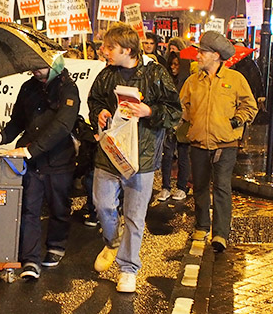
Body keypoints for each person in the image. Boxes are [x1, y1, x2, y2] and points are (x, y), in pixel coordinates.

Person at [88, 23, 181, 293]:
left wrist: (149, 110)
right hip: (110, 153)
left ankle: (128, 269)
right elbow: (94, 101)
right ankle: (112, 239)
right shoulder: (106, 75)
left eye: (109, 47)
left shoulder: (155, 74)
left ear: (127, 50)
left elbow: (175, 111)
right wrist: (100, 113)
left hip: (142, 157)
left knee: (134, 216)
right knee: (102, 204)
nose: (103, 51)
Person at [0, 54, 79, 280]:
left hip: (58, 161)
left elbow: (62, 126)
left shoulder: (68, 89)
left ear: (53, 62)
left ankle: (56, 245)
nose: (35, 70)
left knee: (59, 208)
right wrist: (2, 137)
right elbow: (18, 120)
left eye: (40, 65)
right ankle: (30, 260)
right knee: (29, 208)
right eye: (32, 66)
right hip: (32, 162)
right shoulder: (28, 87)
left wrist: (31, 150)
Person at [179, 31, 258, 252]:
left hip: (225, 144)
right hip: (198, 143)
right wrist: (186, 119)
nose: (198, 56)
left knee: (222, 187)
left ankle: (220, 234)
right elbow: (181, 106)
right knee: (201, 187)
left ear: (215, 55)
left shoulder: (235, 80)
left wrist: (237, 120)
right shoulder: (192, 81)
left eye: (202, 52)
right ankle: (202, 225)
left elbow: (249, 106)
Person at [158, 51, 192, 202]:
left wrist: (182, 118)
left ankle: (182, 187)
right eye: (171, 64)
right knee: (167, 155)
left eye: (176, 64)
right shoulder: (167, 80)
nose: (173, 67)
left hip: (184, 124)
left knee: (183, 156)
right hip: (169, 124)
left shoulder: (189, 82)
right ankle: (165, 187)